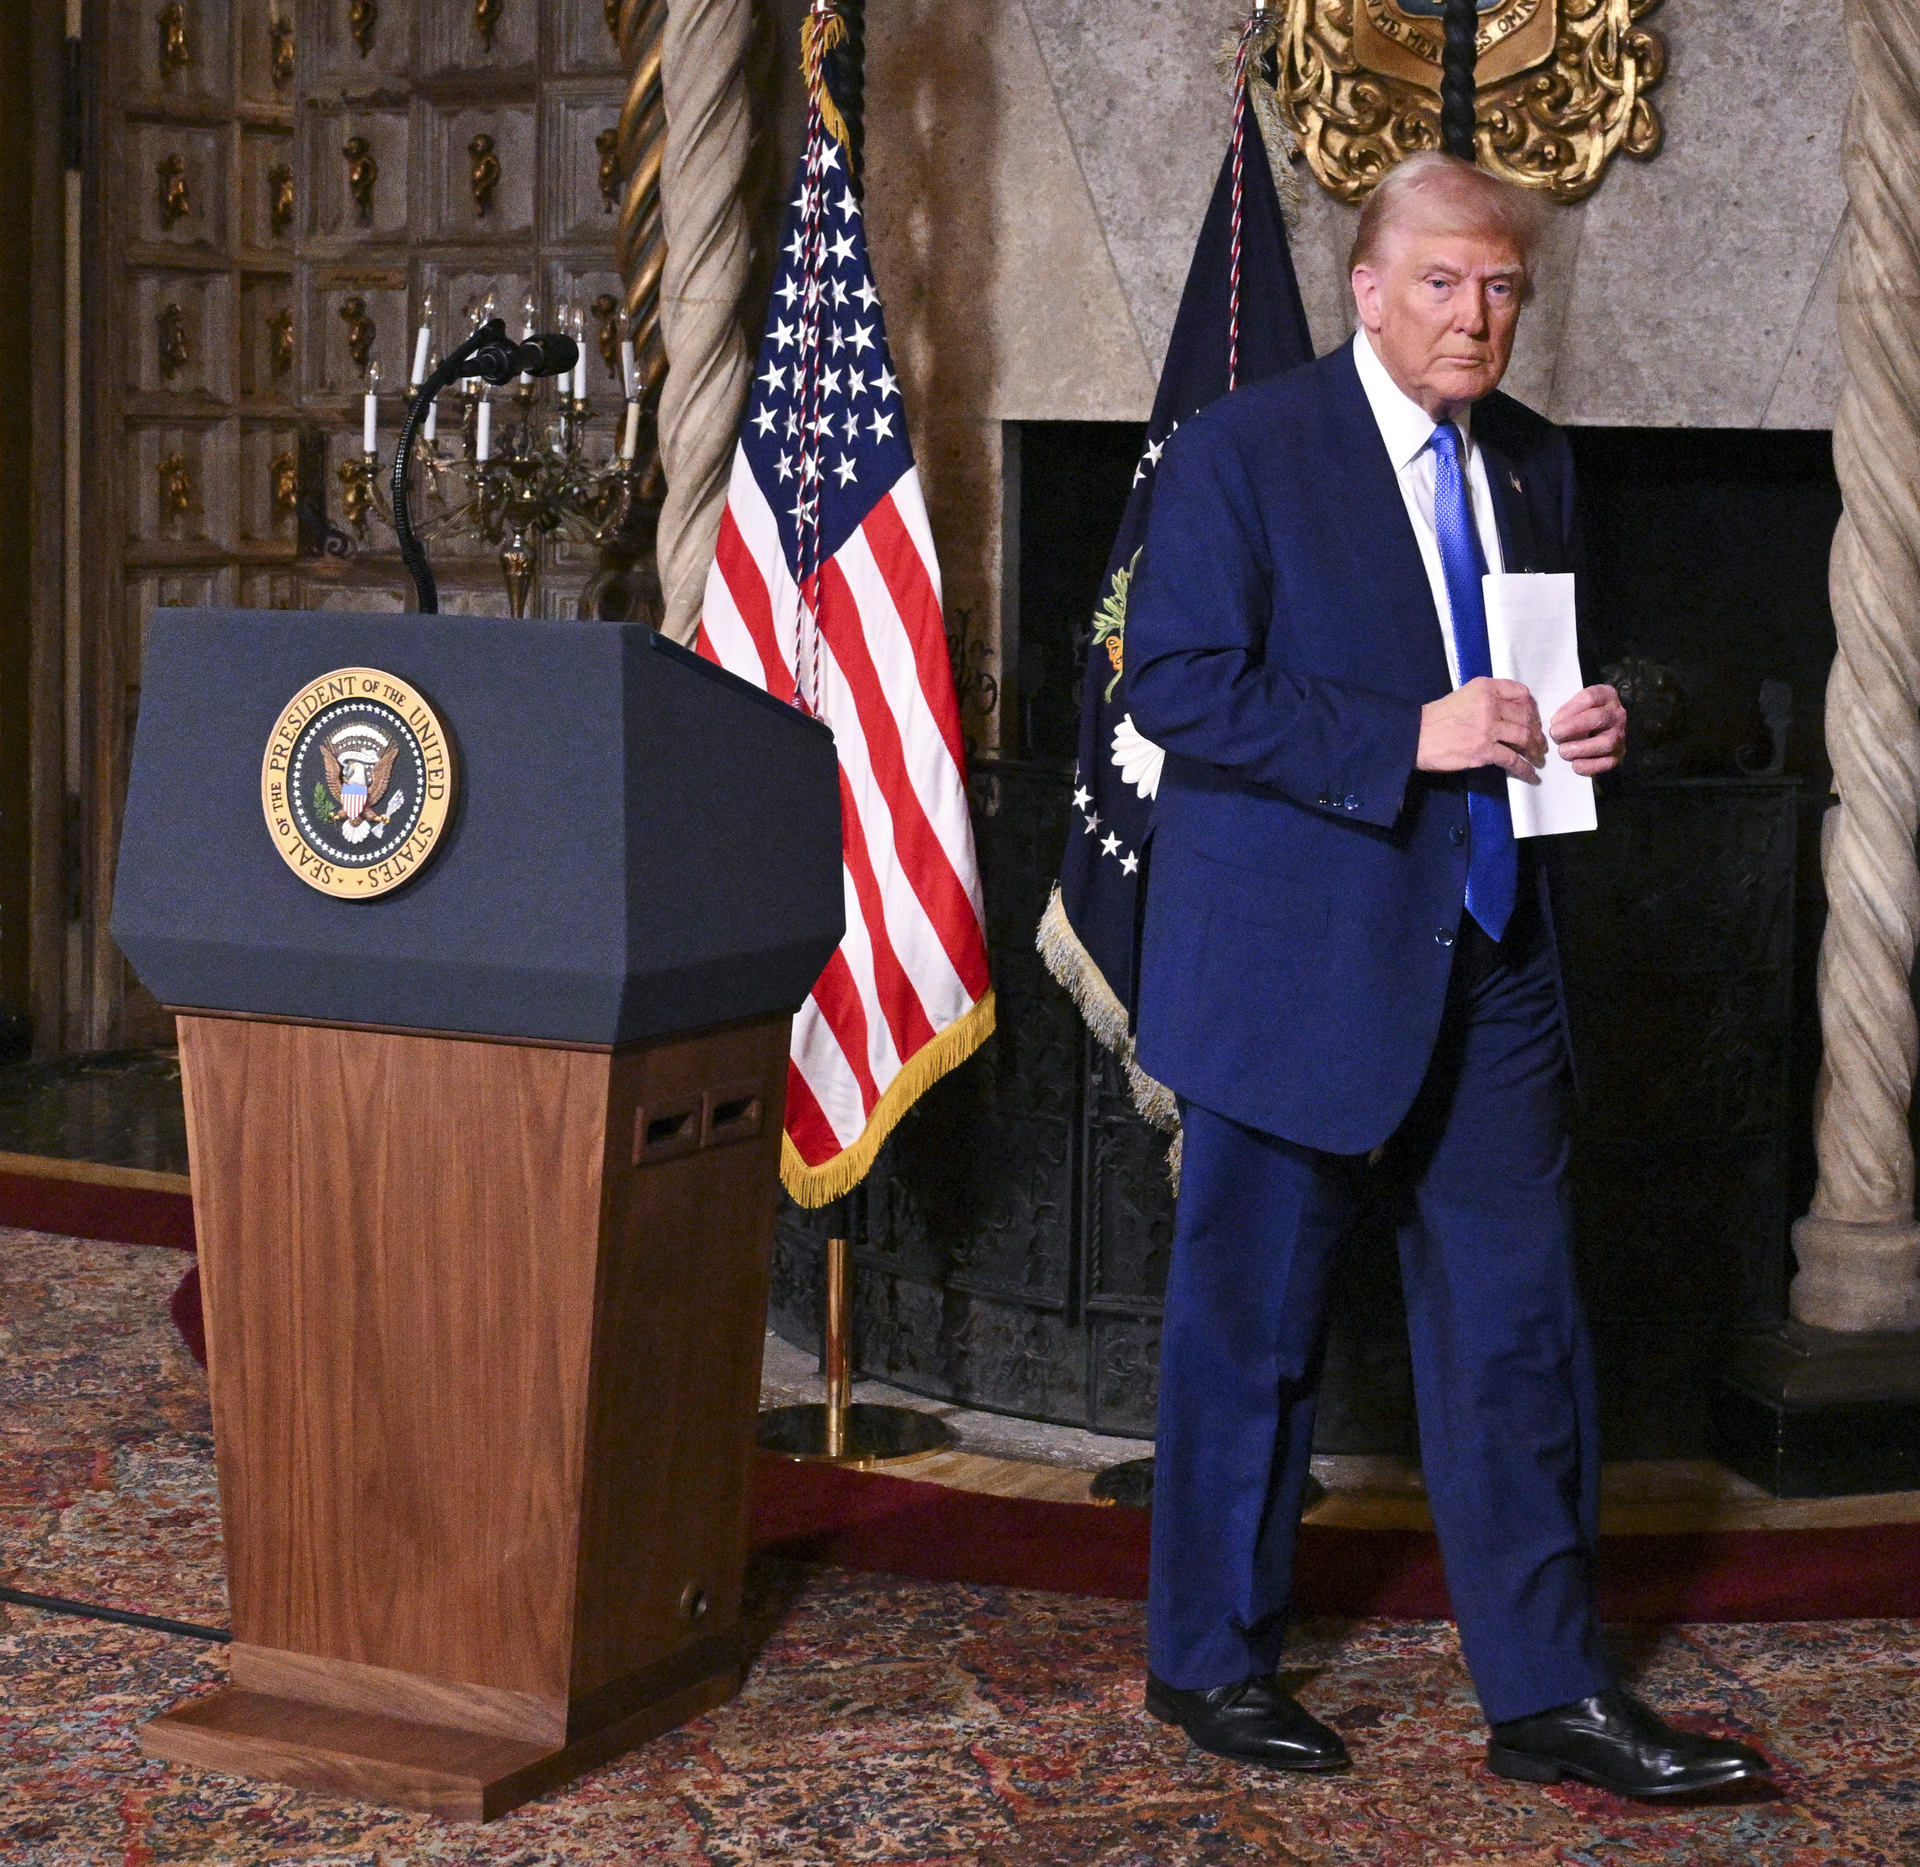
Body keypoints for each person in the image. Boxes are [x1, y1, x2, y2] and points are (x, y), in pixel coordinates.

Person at [1124, 151, 1772, 1799]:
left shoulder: (1536, 463)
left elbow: (1525, 668)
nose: (1475, 318)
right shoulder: (1239, 452)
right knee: (1248, 1336)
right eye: (1440, 283)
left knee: (1518, 1335)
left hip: (1492, 956)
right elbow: (1176, 686)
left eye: (1501, 290)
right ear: (1364, 286)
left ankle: (1548, 1694)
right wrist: (1405, 739)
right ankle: (1209, 1666)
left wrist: (1589, 723)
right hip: (1290, 964)